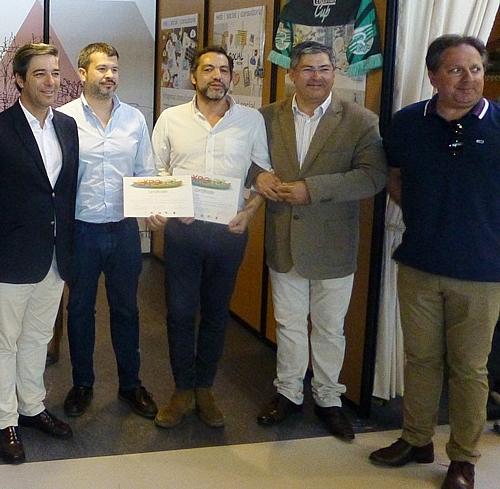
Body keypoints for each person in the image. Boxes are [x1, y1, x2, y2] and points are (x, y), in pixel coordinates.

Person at [370, 34, 500, 489]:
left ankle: (463, 459)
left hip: (482, 272)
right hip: (420, 264)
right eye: (456, 70)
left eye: (476, 69)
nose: (468, 79)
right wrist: (424, 215)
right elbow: (394, 176)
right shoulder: (408, 122)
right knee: (421, 359)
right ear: (432, 75)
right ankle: (416, 439)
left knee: (469, 368)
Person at [253, 40, 387, 440]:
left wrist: (312, 189)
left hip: (333, 244)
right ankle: (289, 393)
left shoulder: (360, 120)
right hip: (285, 241)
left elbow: (372, 176)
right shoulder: (266, 117)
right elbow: (247, 161)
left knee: (330, 328)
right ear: (291, 74)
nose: (317, 77)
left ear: (335, 73)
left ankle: (329, 399)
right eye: (308, 69)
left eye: (325, 69)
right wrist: (257, 177)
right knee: (289, 324)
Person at [148, 45, 270, 428]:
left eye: (223, 70)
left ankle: (205, 388)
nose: (217, 76)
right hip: (184, 232)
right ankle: (182, 390)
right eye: (208, 69)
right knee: (181, 313)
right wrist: (169, 204)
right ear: (193, 77)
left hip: (229, 233)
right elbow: (157, 169)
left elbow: (261, 174)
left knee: (217, 315)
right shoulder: (171, 119)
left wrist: (249, 212)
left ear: (232, 77)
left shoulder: (251, 120)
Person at [0, 43, 78, 463]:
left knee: (38, 337)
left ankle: (32, 407)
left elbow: (63, 193)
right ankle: (6, 421)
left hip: (54, 255)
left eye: (55, 73)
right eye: (40, 73)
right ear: (19, 79)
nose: (51, 82)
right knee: (4, 342)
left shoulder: (67, 127)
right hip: (8, 258)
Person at [57, 42, 159, 420]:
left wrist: (155, 209)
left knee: (127, 309)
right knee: (80, 309)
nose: (109, 75)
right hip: (80, 230)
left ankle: (131, 385)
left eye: (114, 69)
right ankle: (82, 384)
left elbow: (146, 171)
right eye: (102, 69)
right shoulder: (63, 119)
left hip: (123, 230)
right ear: (83, 73)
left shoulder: (134, 119)